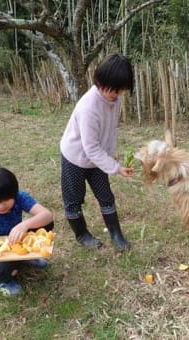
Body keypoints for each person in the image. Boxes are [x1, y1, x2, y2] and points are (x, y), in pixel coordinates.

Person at [60, 53, 134, 251]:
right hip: (75, 158)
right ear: (101, 81)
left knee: (106, 196)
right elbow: (90, 148)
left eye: (121, 89)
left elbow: (109, 131)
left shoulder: (114, 99)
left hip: (97, 159)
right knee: (74, 199)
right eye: (115, 89)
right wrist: (116, 168)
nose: (118, 94)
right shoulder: (88, 108)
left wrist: (109, 158)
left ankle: (116, 234)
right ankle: (82, 234)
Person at [0, 167, 54, 296]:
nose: (1, 206)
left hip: (14, 240)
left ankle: (22, 258)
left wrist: (24, 225)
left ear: (14, 193)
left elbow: (47, 215)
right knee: (8, 263)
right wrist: (17, 254)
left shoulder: (19, 197)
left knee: (46, 224)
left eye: (6, 199)